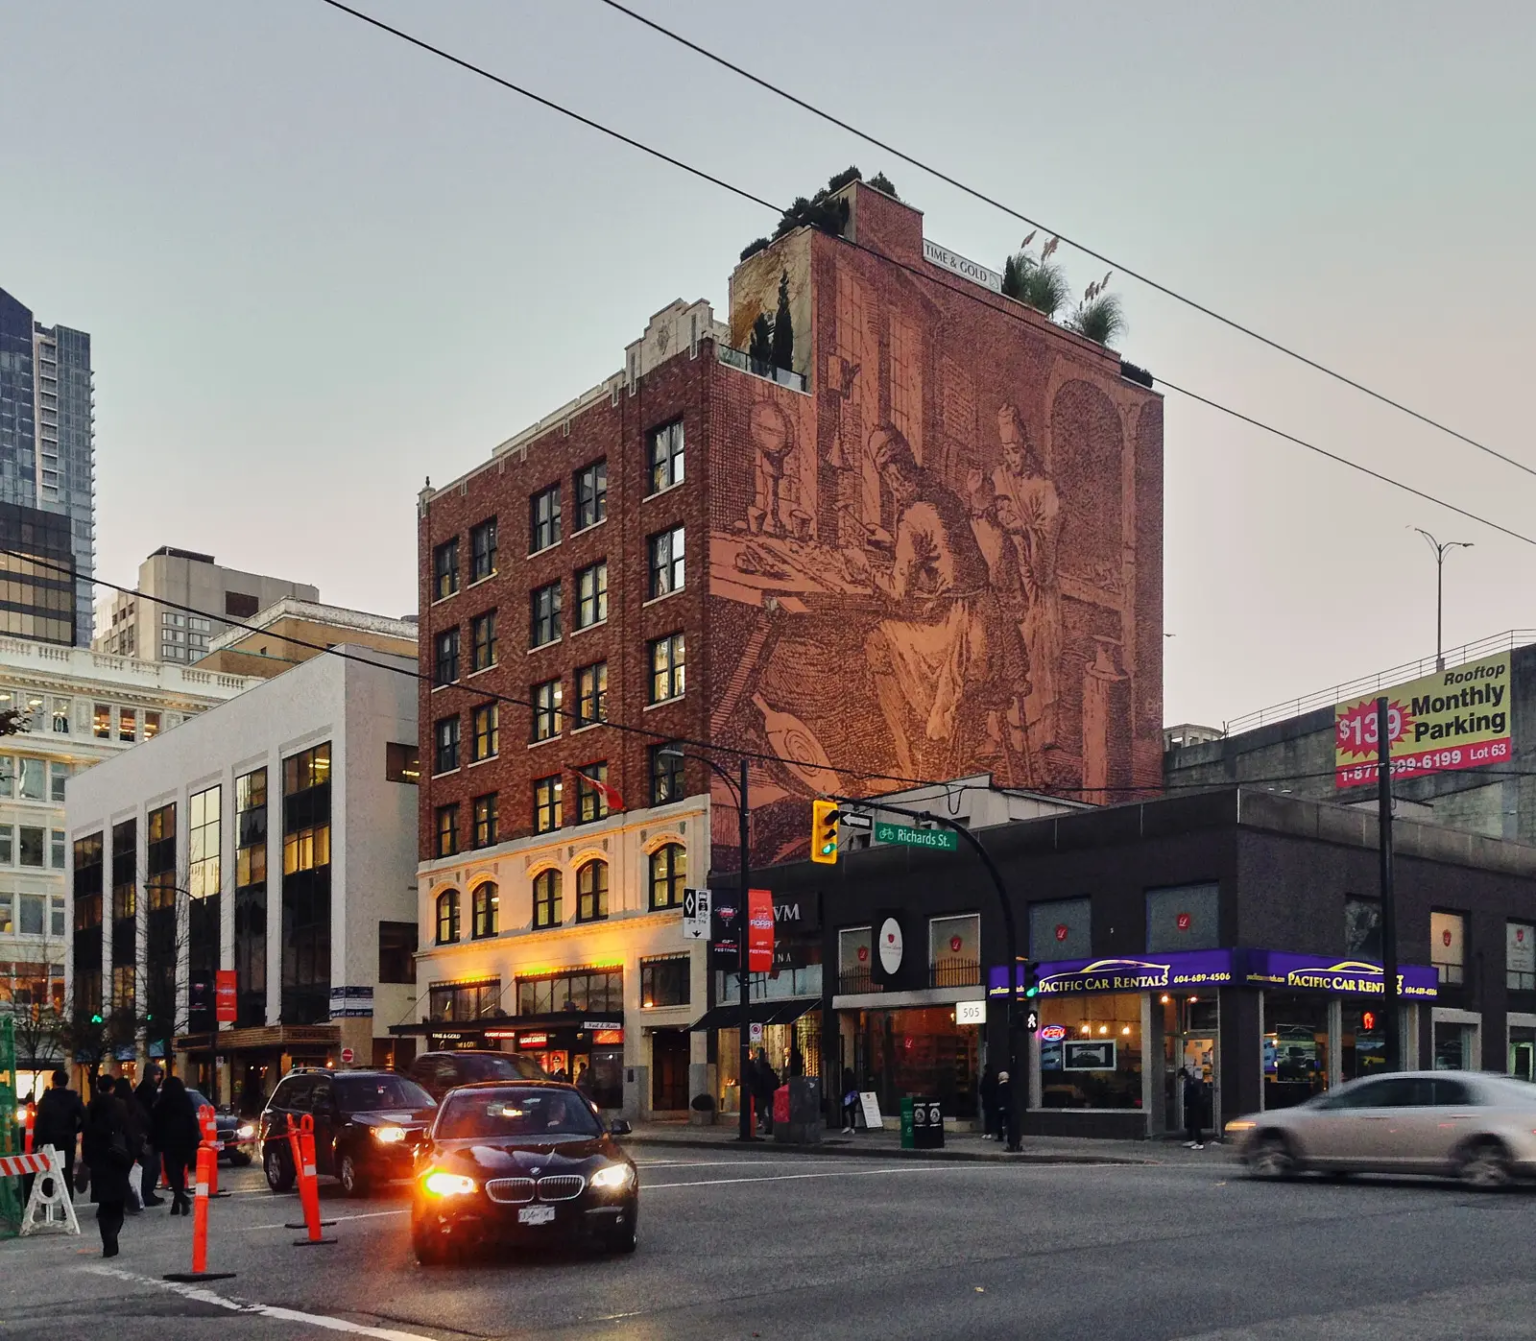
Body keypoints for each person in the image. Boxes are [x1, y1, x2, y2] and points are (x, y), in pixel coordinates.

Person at [82, 1076, 133, 1258]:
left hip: (98, 1160)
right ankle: (113, 1234)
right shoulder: (120, 1106)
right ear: (113, 1087)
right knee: (117, 1203)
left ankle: (107, 1240)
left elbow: (86, 1133)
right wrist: (132, 1154)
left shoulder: (91, 1107)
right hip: (117, 1159)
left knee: (104, 1205)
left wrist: (87, 1158)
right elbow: (128, 1131)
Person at [30, 1068, 86, 1203]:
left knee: (47, 1173)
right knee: (66, 1174)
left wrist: (35, 1143)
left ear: (53, 1081)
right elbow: (85, 1116)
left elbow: (40, 1122)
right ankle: (67, 1206)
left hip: (48, 1140)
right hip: (67, 1140)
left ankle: (46, 1203)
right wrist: (77, 1129)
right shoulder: (73, 1098)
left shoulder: (46, 1099)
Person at [151, 1075, 198, 1215]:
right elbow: (192, 1121)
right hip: (185, 1141)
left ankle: (180, 1198)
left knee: (172, 1172)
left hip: (169, 1142)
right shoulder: (186, 1101)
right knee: (179, 1171)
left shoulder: (162, 1103)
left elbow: (156, 1123)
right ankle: (178, 1200)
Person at [133, 1066, 165, 1208]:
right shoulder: (146, 1092)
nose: (158, 1077)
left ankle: (148, 1193)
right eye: (156, 1074)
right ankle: (146, 1193)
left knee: (153, 1165)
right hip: (147, 1135)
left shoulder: (147, 1091)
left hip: (150, 1134)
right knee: (150, 1165)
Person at [753, 1049, 779, 1135]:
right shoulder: (771, 1073)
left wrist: (756, 1092)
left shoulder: (761, 1072)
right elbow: (776, 1082)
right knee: (769, 1111)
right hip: (769, 1094)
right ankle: (769, 1126)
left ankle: (767, 1125)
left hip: (763, 1094)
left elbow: (759, 1083)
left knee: (761, 1111)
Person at [1183, 1066, 1206, 1150]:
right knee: (1191, 1123)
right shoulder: (1192, 1082)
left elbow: (1192, 1094)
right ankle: (1192, 1139)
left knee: (1195, 1123)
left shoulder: (1192, 1082)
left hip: (1195, 1105)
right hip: (1193, 1105)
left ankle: (1199, 1142)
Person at [996, 1070, 1019, 1152]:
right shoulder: (1010, 1086)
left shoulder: (1001, 1087)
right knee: (1010, 1125)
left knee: (1004, 1123)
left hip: (1004, 1108)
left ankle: (1004, 1137)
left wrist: (1001, 1106)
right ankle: (1013, 1141)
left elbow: (1001, 1098)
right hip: (1011, 1109)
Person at [978, 1065, 1000, 1141]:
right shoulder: (995, 1078)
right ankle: (997, 1132)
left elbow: (981, 1089)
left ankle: (987, 1132)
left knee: (988, 1117)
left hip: (987, 1101)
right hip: (994, 1101)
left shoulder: (985, 1078)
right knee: (996, 1117)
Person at [840, 1066, 859, 1136]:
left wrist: (842, 1098)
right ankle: (852, 1127)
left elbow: (844, 1089)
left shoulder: (844, 1079)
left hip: (847, 1097)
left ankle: (847, 1125)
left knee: (845, 1111)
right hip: (853, 1096)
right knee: (852, 1112)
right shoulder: (854, 1079)